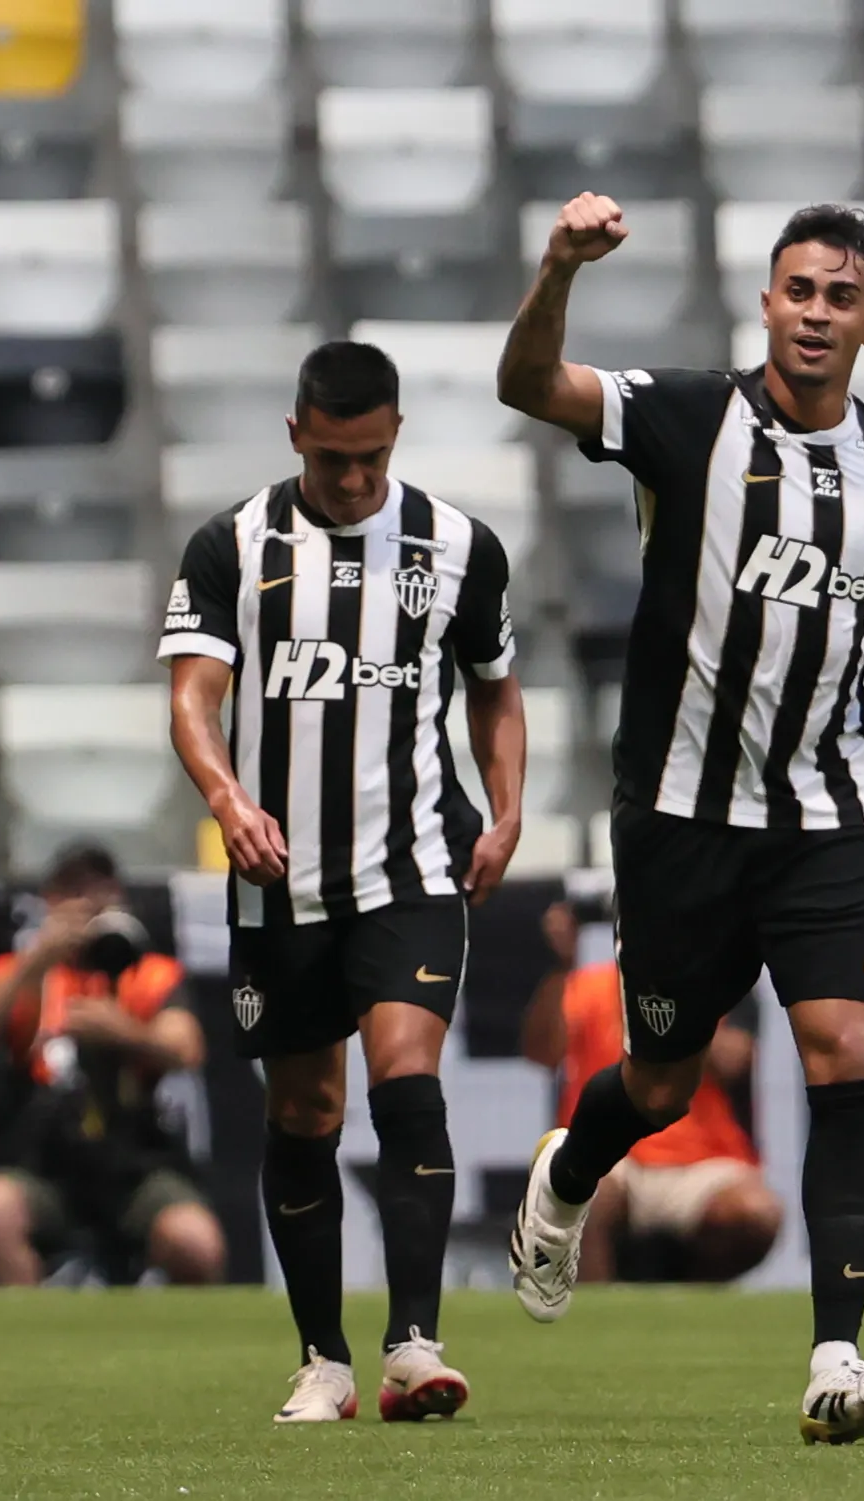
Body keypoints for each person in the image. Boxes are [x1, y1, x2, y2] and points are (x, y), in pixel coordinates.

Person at [497, 195, 864, 1444]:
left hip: (825, 808)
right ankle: (567, 1174)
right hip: (682, 815)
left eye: (840, 296)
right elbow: (527, 383)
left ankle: (836, 1356)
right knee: (657, 1082)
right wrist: (559, 269)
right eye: (798, 290)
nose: (815, 313)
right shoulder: (688, 416)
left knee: (843, 1053)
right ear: (765, 302)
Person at [162, 340, 527, 1424]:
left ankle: (414, 1343)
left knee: (406, 1080)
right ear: (295, 436)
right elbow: (193, 696)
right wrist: (227, 799)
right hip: (280, 880)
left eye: (372, 457)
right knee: (305, 1108)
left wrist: (508, 811)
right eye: (332, 460)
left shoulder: (457, 546)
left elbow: (494, 687)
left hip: (412, 866)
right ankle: (322, 1359)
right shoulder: (232, 545)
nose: (355, 479)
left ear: (397, 433)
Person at [0, 843, 228, 1290]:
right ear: (50, 900)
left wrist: (123, 1032)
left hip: (135, 1164)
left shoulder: (149, 972)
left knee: (194, 1240)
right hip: (44, 1162)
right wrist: (37, 960)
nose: (89, 903)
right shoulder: (22, 972)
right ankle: (26, 1327)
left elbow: (187, 1048)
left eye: (100, 890)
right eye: (74, 891)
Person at [522, 901, 782, 1283]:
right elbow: (541, 1052)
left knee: (757, 1213)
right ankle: (596, 1313)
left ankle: (690, 1305)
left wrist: (675, 994)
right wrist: (562, 965)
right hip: (615, 1155)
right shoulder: (592, 986)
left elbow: (733, 1061)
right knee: (581, 1193)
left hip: (701, 1160)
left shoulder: (722, 984)